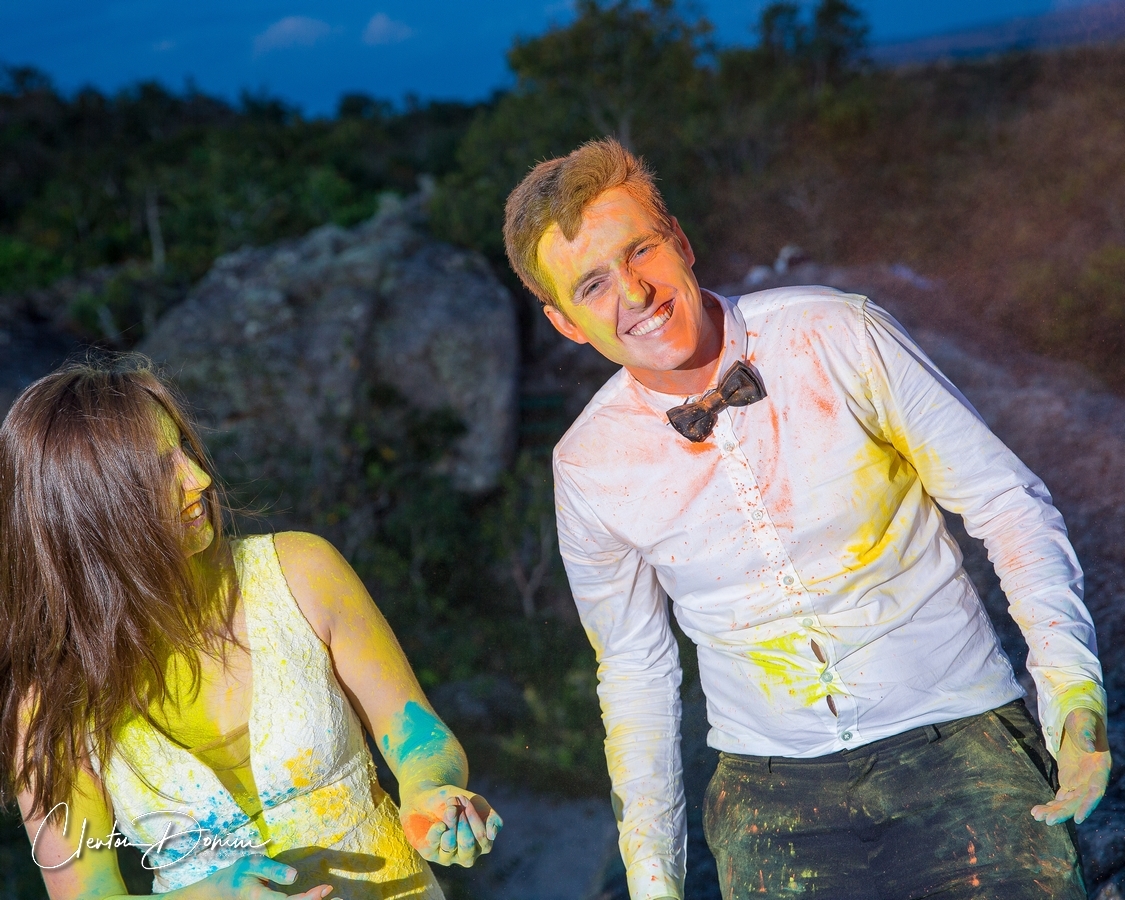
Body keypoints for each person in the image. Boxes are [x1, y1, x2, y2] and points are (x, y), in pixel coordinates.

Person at [503, 138, 1111, 900]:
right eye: (592, 284)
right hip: (766, 800)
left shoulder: (835, 332)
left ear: (680, 242)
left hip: (962, 739)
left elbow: (1005, 504)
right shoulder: (586, 464)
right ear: (564, 323)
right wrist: (652, 879)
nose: (633, 291)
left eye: (641, 250)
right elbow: (634, 669)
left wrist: (1073, 705)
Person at [0, 356, 502, 899]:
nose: (199, 479)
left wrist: (430, 791)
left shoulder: (302, 572)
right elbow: (84, 892)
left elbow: (416, 733)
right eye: (158, 470)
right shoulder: (50, 706)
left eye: (185, 450)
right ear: (87, 510)